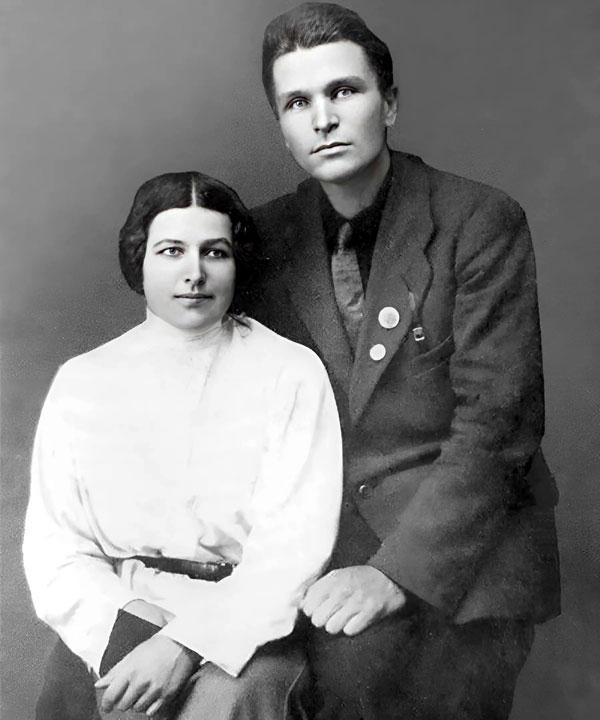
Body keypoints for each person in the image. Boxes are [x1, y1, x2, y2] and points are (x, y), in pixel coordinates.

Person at [248, 3, 561, 719]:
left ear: (388, 104)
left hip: (465, 556)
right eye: (298, 102)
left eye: (344, 91)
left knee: (370, 684)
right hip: (320, 557)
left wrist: (393, 575)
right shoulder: (262, 239)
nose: (323, 118)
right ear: (282, 127)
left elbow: (499, 428)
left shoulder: (478, 220)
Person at [23, 171, 343, 720]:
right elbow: (56, 547)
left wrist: (185, 643)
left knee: (226, 704)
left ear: (236, 261)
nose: (194, 273)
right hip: (120, 611)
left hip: (246, 627)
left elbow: (292, 549)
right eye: (172, 250)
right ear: (139, 259)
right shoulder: (84, 381)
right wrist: (128, 627)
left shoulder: (289, 372)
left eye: (214, 252)